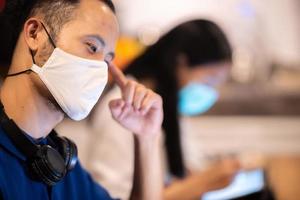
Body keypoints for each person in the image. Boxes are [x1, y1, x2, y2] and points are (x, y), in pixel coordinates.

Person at [58, 19, 241, 200]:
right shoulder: (123, 109)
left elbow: (185, 168)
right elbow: (115, 194)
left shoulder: (168, 107)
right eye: (210, 80)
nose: (212, 92)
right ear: (181, 63)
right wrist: (201, 183)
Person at [0, 0, 163, 199]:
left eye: (107, 60)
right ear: (35, 34)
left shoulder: (59, 166)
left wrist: (147, 136)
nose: (100, 71)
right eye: (92, 47)